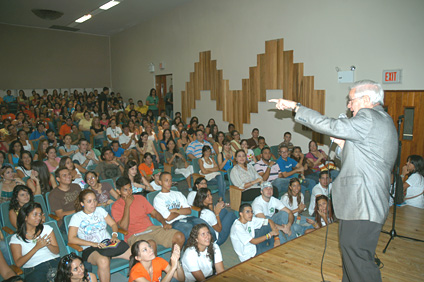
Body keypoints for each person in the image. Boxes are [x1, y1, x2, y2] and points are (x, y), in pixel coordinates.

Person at [270, 79, 398, 281]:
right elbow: (364, 159)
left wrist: (296, 107)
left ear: (366, 99)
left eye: (351, 100)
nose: (348, 105)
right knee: (352, 261)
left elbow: (329, 124)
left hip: (362, 204)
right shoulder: (384, 121)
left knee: (359, 263)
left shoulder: (369, 117)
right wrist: (342, 145)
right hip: (366, 204)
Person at [68, 189, 131, 282]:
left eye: (94, 200)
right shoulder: (77, 217)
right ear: (82, 203)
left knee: (135, 252)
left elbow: (113, 224)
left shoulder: (100, 210)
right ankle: (110, 256)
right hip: (90, 249)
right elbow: (71, 239)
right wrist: (93, 244)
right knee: (103, 261)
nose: (93, 203)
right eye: (89, 201)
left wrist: (114, 236)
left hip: (107, 244)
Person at [112, 177, 185, 250]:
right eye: (125, 190)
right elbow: (124, 227)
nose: (129, 192)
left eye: (130, 188)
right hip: (135, 235)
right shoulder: (116, 206)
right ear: (118, 191)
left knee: (179, 236)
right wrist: (127, 206)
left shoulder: (140, 198)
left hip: (152, 229)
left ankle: (174, 260)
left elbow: (155, 213)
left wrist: (164, 223)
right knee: (150, 244)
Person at [153, 172, 216, 244]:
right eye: (166, 180)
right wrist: (180, 210)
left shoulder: (178, 194)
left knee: (207, 229)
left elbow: (188, 211)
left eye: (170, 180)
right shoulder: (158, 199)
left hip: (189, 218)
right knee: (192, 233)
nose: (169, 183)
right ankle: (199, 250)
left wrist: (175, 210)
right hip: (174, 223)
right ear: (160, 182)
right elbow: (169, 217)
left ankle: (210, 246)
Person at [9, 202, 60, 282]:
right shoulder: (16, 238)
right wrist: (36, 247)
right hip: (34, 269)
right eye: (35, 214)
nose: (39, 217)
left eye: (40, 214)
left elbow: (56, 251)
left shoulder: (46, 228)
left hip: (54, 261)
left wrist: (47, 244)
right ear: (25, 217)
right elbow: (18, 263)